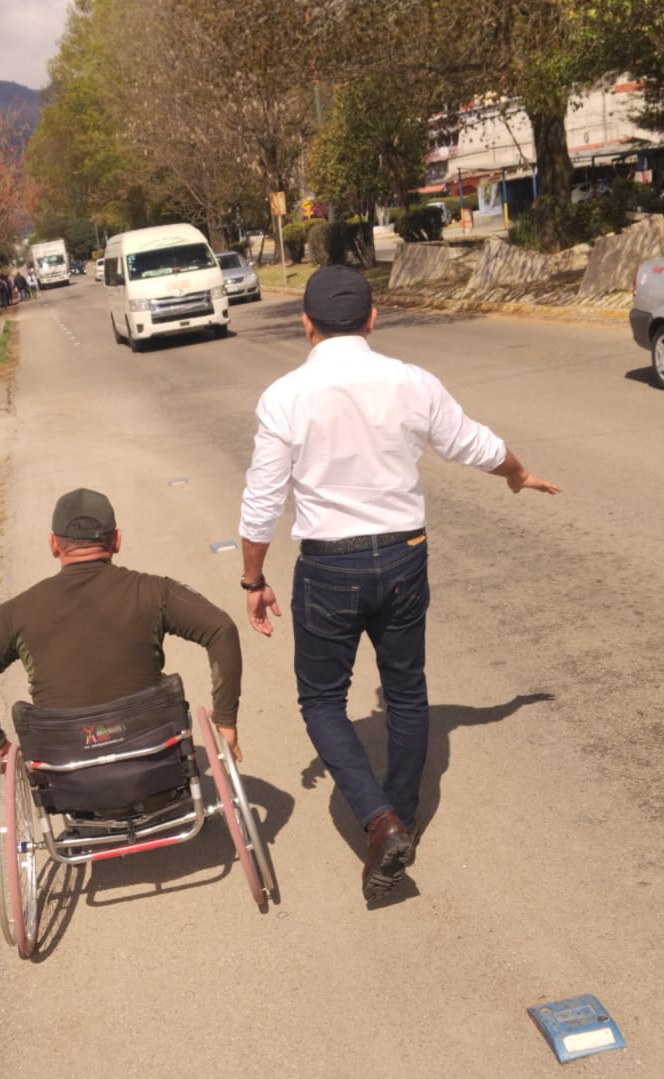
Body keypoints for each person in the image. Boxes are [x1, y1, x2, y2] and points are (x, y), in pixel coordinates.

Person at [238, 266, 559, 902]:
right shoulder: (411, 382)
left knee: (323, 701)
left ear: (306, 325)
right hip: (405, 556)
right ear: (372, 319)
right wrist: (517, 473)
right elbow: (471, 443)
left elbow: (262, 498)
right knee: (408, 691)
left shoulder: (285, 396)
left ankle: (379, 822)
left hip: (329, 566)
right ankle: (404, 816)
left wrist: (253, 577)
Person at [0, 488, 243, 777]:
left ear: (53, 544)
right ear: (116, 540)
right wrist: (225, 718)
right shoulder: (155, 592)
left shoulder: (15, 613)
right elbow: (221, 630)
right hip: (155, 762)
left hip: (67, 775)